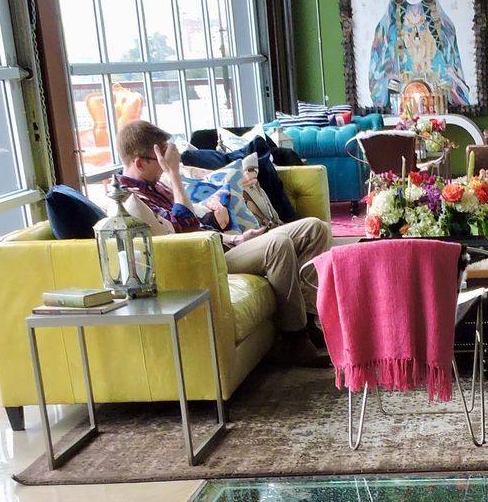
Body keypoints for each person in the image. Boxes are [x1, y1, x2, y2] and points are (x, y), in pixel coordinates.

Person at [112, 118, 332, 363]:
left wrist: (236, 237)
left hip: (221, 245)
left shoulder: (155, 186)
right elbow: (185, 232)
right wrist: (174, 175)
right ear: (140, 163)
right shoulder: (133, 200)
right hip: (205, 261)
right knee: (278, 245)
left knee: (314, 228)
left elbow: (198, 224)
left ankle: (309, 319)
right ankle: (295, 339)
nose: (169, 162)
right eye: (163, 157)